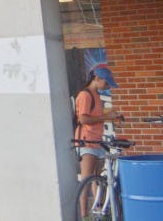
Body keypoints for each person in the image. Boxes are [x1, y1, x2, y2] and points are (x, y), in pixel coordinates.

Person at [75, 64, 124, 218]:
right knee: (87, 179)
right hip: (86, 141)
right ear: (97, 78)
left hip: (97, 141)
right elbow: (83, 119)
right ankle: (84, 216)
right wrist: (107, 117)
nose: (107, 86)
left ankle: (99, 211)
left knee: (98, 178)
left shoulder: (95, 95)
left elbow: (96, 116)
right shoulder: (85, 95)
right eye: (106, 82)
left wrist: (112, 115)